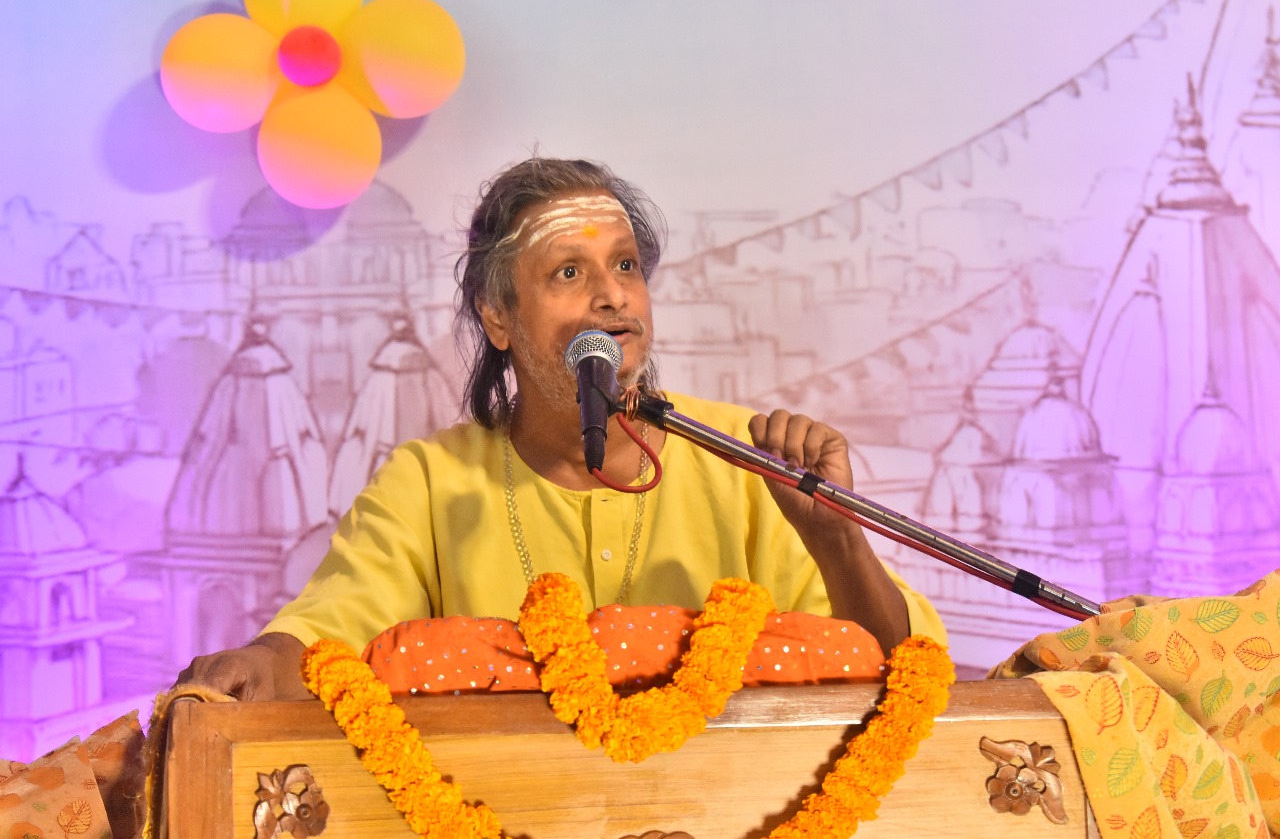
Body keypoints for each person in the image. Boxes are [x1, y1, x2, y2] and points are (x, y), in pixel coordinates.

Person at [176, 157, 945, 700]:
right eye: (569, 273)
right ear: (498, 315)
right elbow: (329, 630)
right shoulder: (430, 482)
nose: (613, 297)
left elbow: (904, 671)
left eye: (626, 266)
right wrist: (262, 662)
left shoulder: (748, 456)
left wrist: (839, 540)